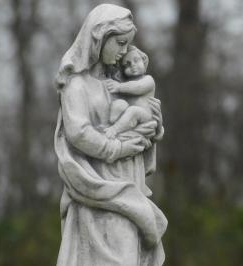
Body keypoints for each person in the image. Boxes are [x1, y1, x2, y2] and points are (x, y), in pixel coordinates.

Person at [54, 4, 167, 266]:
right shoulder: (76, 84)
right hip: (97, 192)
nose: (125, 51)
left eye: (127, 44)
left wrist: (154, 128)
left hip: (130, 185)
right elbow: (79, 133)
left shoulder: (120, 82)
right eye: (119, 43)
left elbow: (140, 125)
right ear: (98, 38)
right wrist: (117, 148)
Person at [103, 45, 156, 139]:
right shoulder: (125, 83)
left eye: (136, 60)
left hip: (145, 116)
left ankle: (114, 130)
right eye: (127, 64)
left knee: (134, 110)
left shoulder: (148, 79)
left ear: (144, 60)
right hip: (129, 115)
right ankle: (113, 124)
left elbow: (138, 87)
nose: (133, 65)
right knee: (119, 104)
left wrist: (119, 87)